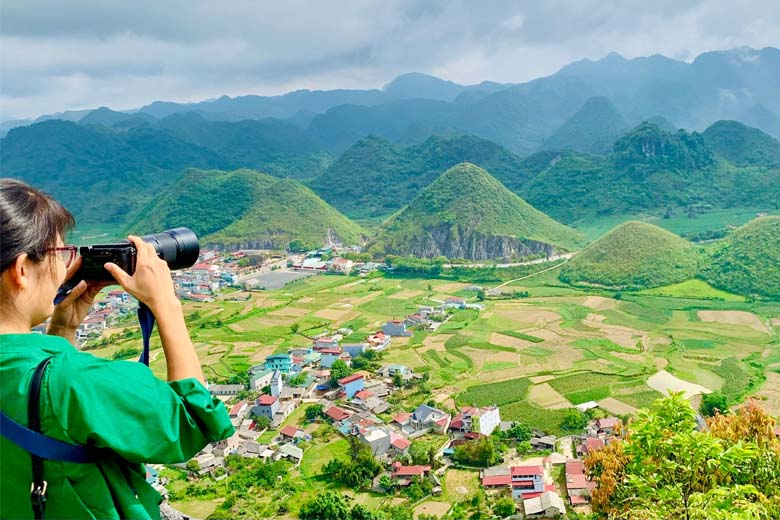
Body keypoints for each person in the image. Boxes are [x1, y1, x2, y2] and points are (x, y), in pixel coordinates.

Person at [0, 178, 235, 520]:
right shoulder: (72, 380)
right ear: (22, 270)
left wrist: (63, 329)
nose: (65, 267)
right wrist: (166, 304)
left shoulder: (47, 378)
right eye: (60, 253)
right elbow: (192, 422)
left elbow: (42, 418)